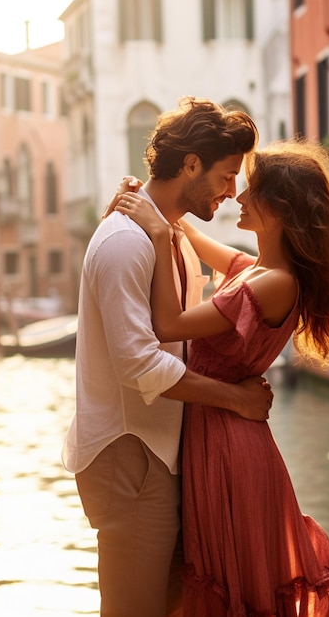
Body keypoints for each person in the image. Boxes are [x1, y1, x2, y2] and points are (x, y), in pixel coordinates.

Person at [114, 139, 329, 616]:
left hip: (229, 446)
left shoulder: (275, 281)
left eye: (251, 190)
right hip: (223, 433)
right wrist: (155, 207)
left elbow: (167, 325)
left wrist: (155, 230)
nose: (238, 198)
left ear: (281, 208)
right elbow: (189, 236)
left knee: (236, 584)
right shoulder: (257, 269)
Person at [62, 96, 275, 617]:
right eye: (227, 177)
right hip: (130, 454)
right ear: (191, 165)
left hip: (161, 452)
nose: (232, 191)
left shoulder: (169, 235)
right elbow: (140, 366)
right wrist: (236, 401)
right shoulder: (124, 243)